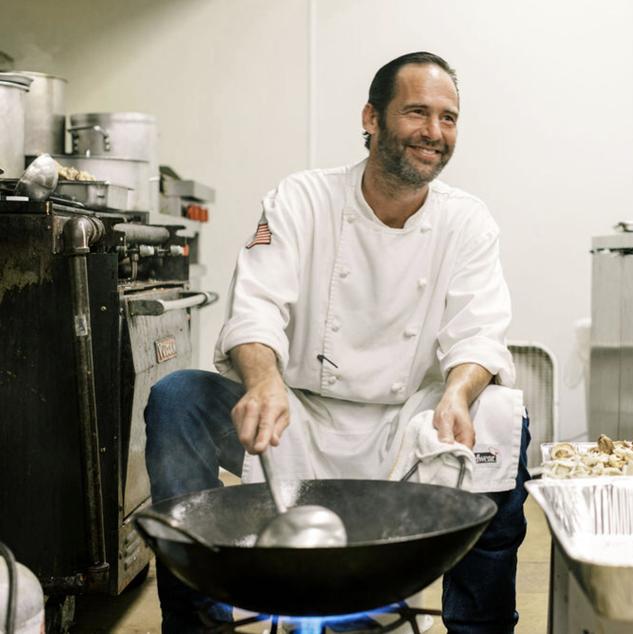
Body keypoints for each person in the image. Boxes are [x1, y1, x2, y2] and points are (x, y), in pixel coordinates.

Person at [144, 51, 530, 633]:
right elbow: (257, 306)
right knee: (177, 398)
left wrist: (457, 393)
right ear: (371, 118)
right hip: (293, 412)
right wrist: (264, 381)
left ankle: (480, 626)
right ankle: (198, 622)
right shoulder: (301, 199)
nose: (434, 133)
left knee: (501, 414)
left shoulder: (467, 221)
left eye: (448, 118)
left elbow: (478, 332)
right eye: (417, 113)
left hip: (408, 420)